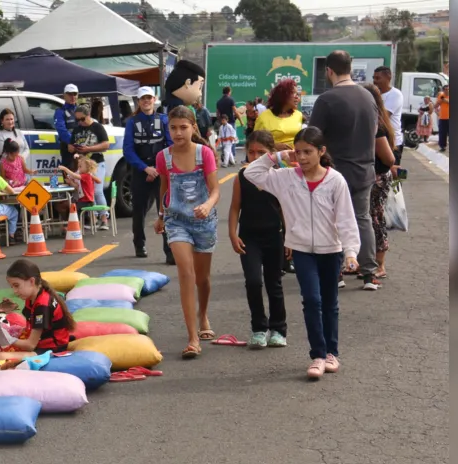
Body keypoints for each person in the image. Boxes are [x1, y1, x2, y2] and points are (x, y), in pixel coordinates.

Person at [243, 127, 360, 380]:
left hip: (332, 250)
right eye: (298, 152)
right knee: (312, 300)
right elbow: (251, 173)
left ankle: (332, 353)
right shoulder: (285, 177)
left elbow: (346, 219)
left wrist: (351, 252)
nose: (303, 157)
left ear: (322, 151)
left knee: (330, 303)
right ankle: (317, 355)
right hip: (301, 250)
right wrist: (276, 157)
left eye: (308, 152)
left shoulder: (335, 181)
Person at [308, 50, 381, 290]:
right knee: (362, 218)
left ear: (329, 70)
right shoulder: (368, 97)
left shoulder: (327, 100)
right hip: (365, 170)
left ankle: (337, 272)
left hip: (336, 171)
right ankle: (369, 273)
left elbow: (312, 137)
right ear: (350, 68)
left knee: (332, 221)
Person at [154, 106, 220, 359]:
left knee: (202, 279)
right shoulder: (163, 157)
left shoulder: (205, 154)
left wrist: (207, 205)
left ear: (194, 127)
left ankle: (203, 315)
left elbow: (215, 190)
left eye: (183, 127)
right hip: (176, 220)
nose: (178, 132)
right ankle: (193, 337)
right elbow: (164, 188)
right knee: (185, 272)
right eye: (173, 128)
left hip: (204, 222)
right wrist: (161, 216)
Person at [229, 131, 288, 349]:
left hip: (274, 236)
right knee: (253, 282)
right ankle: (259, 329)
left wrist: (289, 237)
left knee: (274, 283)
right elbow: (235, 208)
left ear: (271, 154)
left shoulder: (279, 175)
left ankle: (278, 329)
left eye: (261, 153)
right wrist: (232, 234)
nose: (255, 157)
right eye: (251, 152)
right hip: (249, 238)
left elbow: (284, 208)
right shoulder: (242, 177)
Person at [123, 87, 174, 263]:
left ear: (155, 99)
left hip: (161, 171)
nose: (146, 101)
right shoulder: (131, 122)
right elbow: (128, 150)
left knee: (165, 209)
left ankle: (169, 250)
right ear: (138, 101)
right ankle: (139, 244)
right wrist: (145, 168)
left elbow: (170, 145)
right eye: (142, 98)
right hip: (140, 172)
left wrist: (159, 168)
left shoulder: (164, 120)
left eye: (149, 98)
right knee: (139, 210)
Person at [0, 259, 77, 360]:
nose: (14, 291)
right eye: (12, 287)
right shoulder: (33, 296)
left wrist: (9, 339)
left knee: (0, 356)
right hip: (42, 343)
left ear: (32, 281)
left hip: (52, 349)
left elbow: (30, 345)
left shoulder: (42, 305)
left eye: (17, 285)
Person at [363, 84, 397, 282]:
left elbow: (389, 158)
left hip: (377, 178)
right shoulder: (373, 121)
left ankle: (379, 264)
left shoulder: (377, 126)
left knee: (375, 219)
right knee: (368, 218)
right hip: (369, 177)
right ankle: (366, 261)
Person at [71, 104, 111, 229]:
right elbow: (70, 146)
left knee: (98, 191)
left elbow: (106, 145)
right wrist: (75, 149)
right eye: (77, 120)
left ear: (88, 116)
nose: (80, 122)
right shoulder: (77, 130)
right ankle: (92, 219)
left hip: (96, 163)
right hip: (82, 164)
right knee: (86, 192)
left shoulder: (97, 127)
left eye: (82, 119)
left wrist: (89, 148)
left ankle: (104, 219)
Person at [254, 78, 305, 148]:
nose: (297, 97)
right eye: (293, 93)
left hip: (296, 158)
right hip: (273, 158)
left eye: (298, 94)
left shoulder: (298, 115)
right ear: (282, 95)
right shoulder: (263, 117)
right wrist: (274, 146)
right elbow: (255, 142)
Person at [373, 66, 404, 175]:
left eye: (378, 78)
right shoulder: (375, 95)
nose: (375, 81)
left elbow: (383, 116)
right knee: (381, 176)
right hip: (379, 141)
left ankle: (399, 189)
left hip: (393, 143)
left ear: (388, 78)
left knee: (395, 175)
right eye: (374, 78)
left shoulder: (396, 94)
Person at [58, 156, 103, 224]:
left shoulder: (86, 175)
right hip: (86, 200)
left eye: (80, 167)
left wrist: (65, 169)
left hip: (87, 201)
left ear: (87, 168)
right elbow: (77, 186)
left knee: (74, 209)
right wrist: (71, 182)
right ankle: (77, 226)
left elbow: (74, 175)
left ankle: (76, 226)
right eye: (78, 166)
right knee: (75, 209)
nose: (78, 169)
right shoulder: (87, 175)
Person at [54, 83, 80, 168]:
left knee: (83, 178)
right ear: (64, 95)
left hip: (83, 147)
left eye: (74, 94)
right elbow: (61, 130)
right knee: (69, 179)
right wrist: (72, 142)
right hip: (68, 147)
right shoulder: (60, 111)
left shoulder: (82, 110)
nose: (72, 97)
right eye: (69, 94)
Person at [436, 84, 450, 152]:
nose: (447, 91)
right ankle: (442, 146)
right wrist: (441, 100)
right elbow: (436, 105)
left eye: (448, 89)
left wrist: (445, 100)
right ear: (443, 90)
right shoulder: (441, 96)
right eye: (446, 89)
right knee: (442, 133)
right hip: (442, 117)